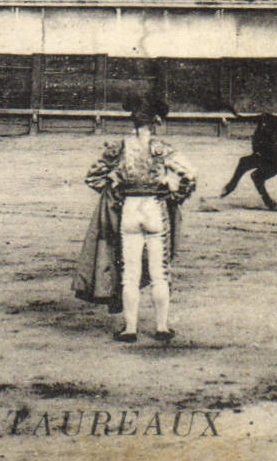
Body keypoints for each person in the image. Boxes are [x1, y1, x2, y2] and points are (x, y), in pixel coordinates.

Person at [78, 97, 197, 343]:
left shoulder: (119, 147)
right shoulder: (162, 148)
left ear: (133, 120)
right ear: (156, 122)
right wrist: (174, 194)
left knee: (129, 274)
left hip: (129, 211)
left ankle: (129, 330)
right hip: (155, 209)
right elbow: (190, 175)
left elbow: (92, 177)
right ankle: (161, 328)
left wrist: (115, 190)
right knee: (159, 274)